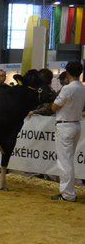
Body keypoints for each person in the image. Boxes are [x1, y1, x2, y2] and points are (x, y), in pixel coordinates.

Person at [29, 60, 85, 202]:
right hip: (76, 125)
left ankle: (67, 194)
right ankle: (69, 191)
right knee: (68, 160)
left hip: (65, 126)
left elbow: (55, 107)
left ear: (67, 72)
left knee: (64, 162)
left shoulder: (67, 88)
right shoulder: (82, 87)